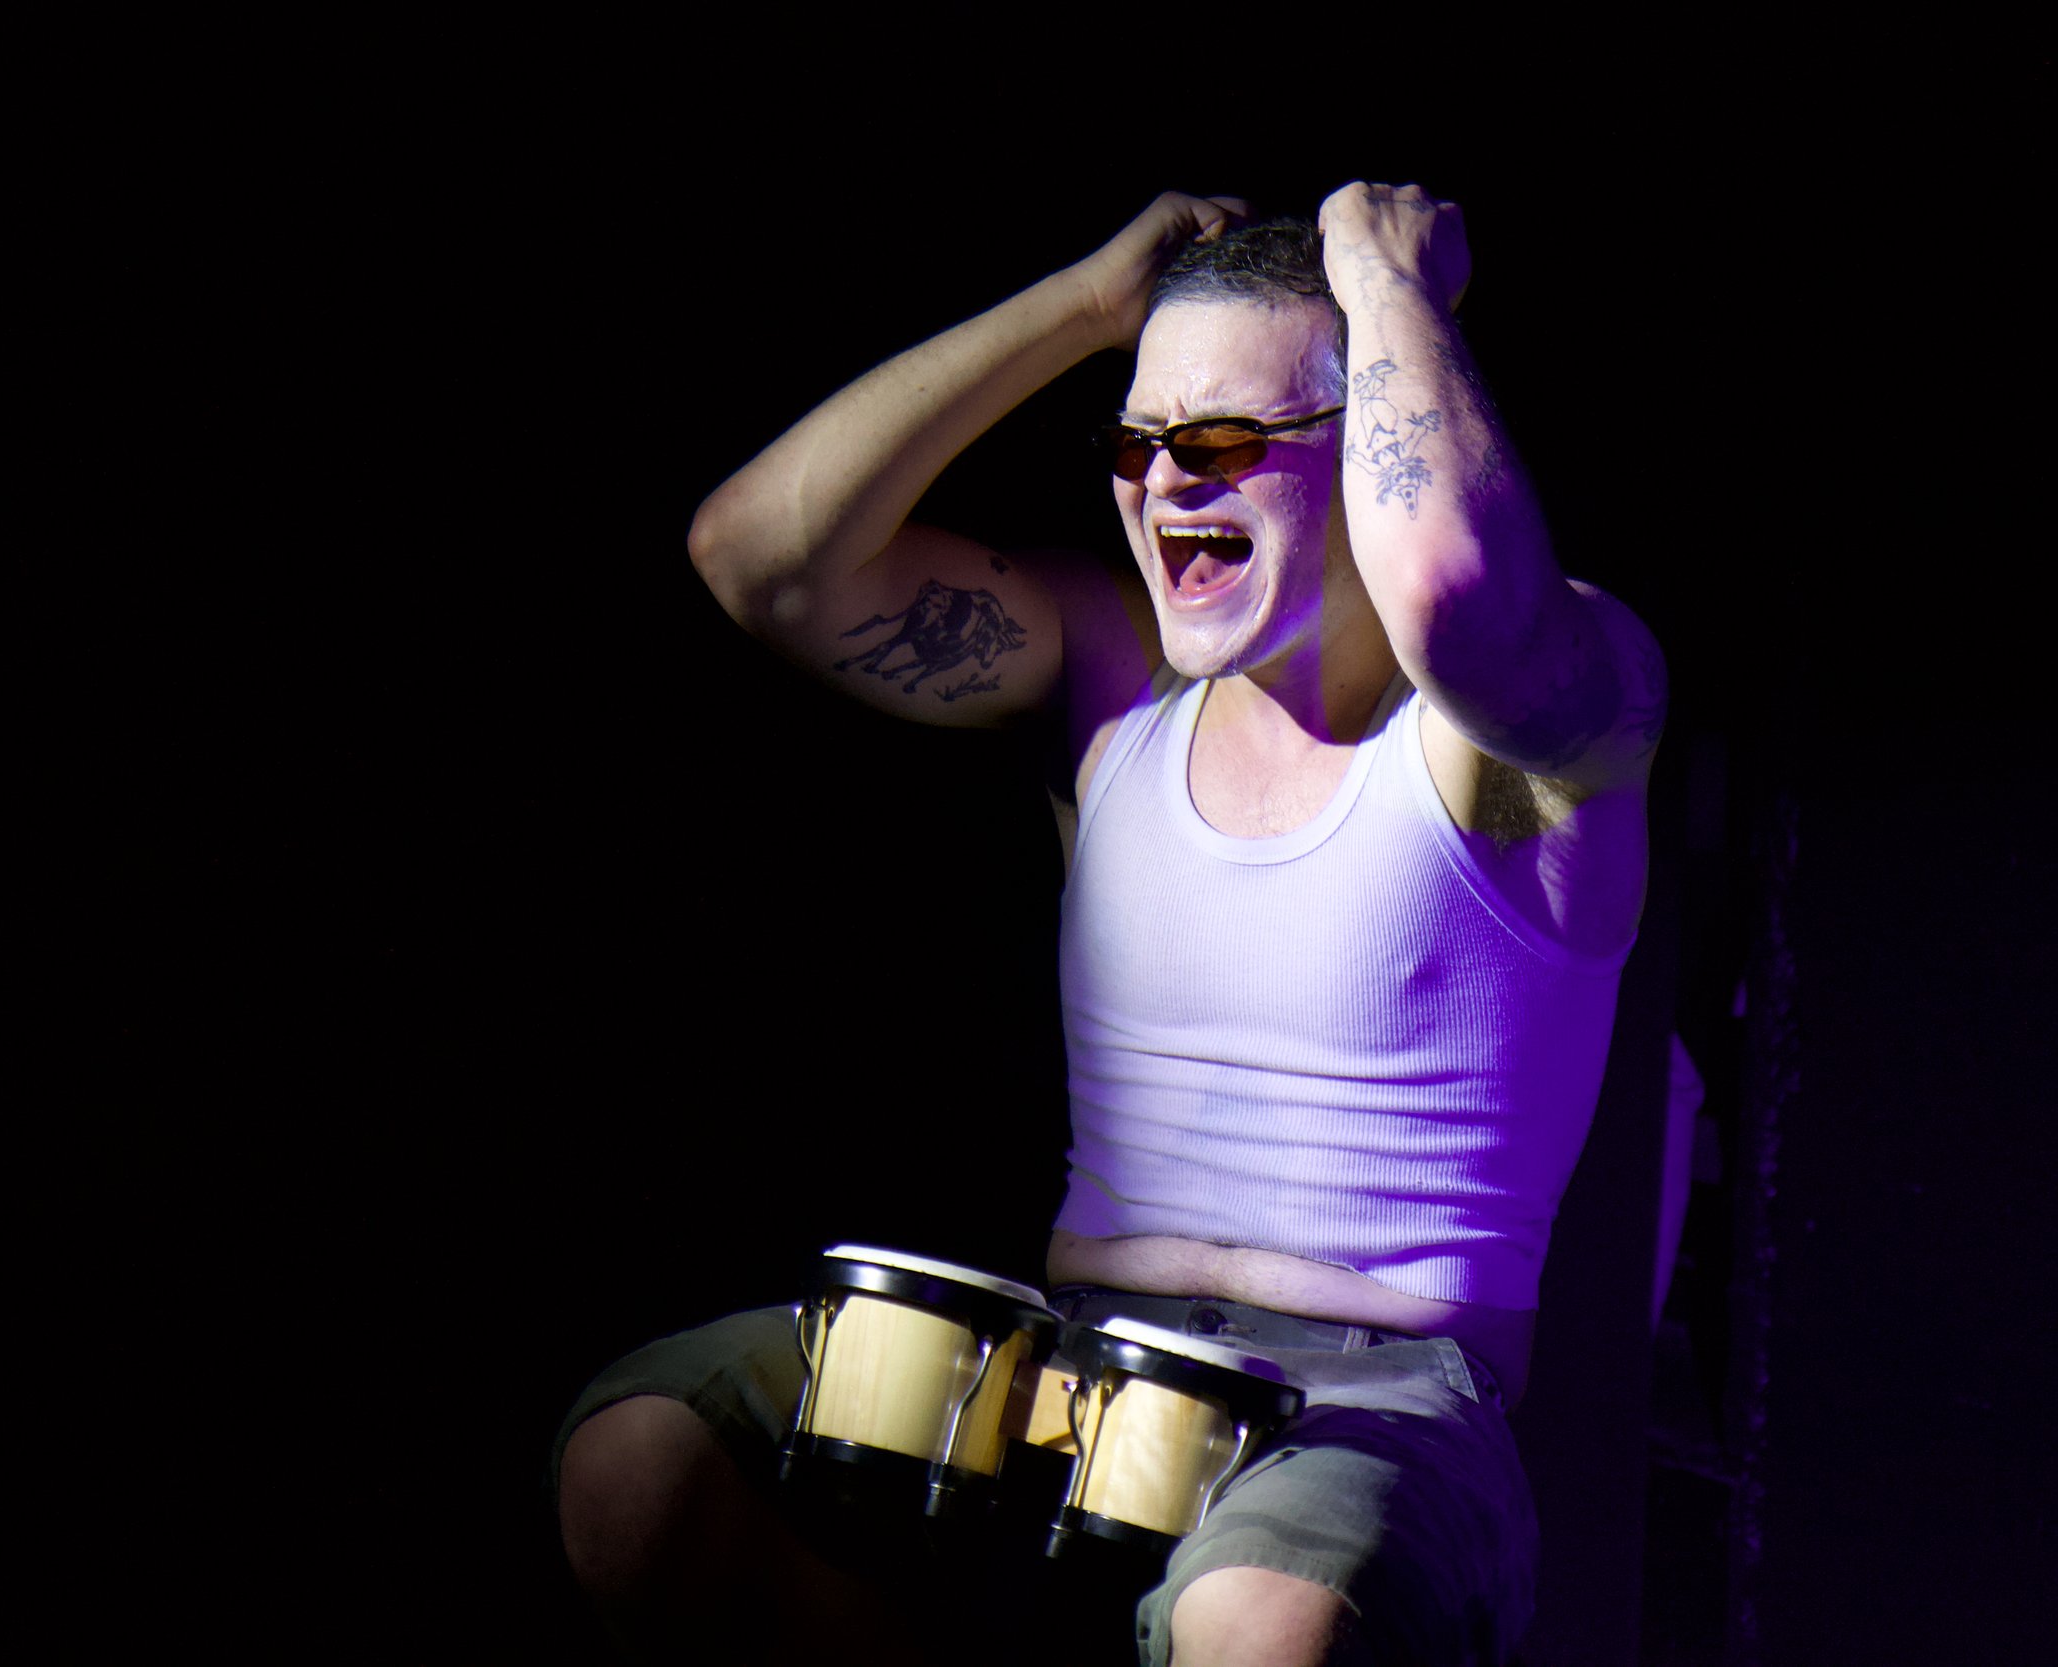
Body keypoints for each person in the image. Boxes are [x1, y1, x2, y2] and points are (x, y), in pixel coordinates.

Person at [555, 184, 1663, 1666]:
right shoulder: (1114, 681)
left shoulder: (1522, 729)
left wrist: (1387, 283)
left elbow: (1457, 598)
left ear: (1369, 436)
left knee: (1264, 1625)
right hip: (1067, 1361)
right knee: (639, 1464)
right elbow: (763, 559)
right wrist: (1085, 305)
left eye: (1224, 441)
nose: (1163, 483)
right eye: (1138, 445)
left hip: (1379, 1402)